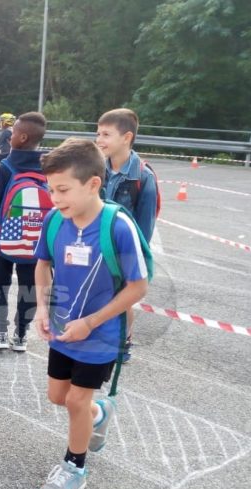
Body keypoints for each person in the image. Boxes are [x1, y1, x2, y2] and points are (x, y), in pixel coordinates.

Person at [33, 137, 149, 489]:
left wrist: (92, 321)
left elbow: (137, 287)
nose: (55, 198)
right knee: (58, 396)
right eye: (52, 190)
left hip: (100, 335)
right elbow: (42, 264)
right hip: (64, 330)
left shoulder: (118, 227)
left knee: (76, 402)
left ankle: (74, 467)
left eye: (63, 189)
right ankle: (100, 413)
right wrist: (41, 307)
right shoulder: (55, 221)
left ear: (93, 183)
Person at [96, 108, 158, 361]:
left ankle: (124, 340)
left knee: (121, 302)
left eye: (106, 134)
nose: (99, 139)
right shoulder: (97, 167)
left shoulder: (143, 177)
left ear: (127, 137)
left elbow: (145, 228)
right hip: (96, 245)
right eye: (98, 133)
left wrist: (133, 260)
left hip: (124, 251)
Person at [0, 112, 51, 352]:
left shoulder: (6, 166)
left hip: (8, 236)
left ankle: (0, 333)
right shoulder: (48, 165)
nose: (10, 136)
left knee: (1, 284)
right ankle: (21, 335)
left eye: (13, 133)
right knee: (29, 287)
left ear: (22, 137)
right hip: (36, 240)